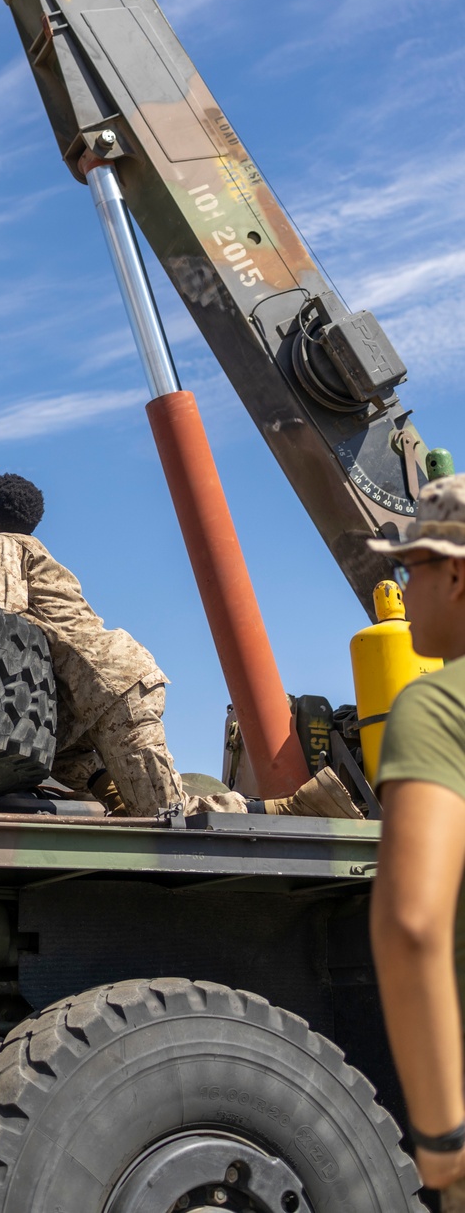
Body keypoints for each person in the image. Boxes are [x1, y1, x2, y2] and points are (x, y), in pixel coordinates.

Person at [0, 473, 361, 819]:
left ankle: (293, 807)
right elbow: (4, 585)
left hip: (111, 688)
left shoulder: (5, 546)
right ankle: (120, 800)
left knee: (168, 813)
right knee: (55, 758)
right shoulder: (25, 552)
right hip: (88, 702)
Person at [369, 475, 465, 1206]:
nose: (403, 585)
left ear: (457, 574)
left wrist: (443, 1144)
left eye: (412, 567)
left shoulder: (436, 706)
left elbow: (411, 925)